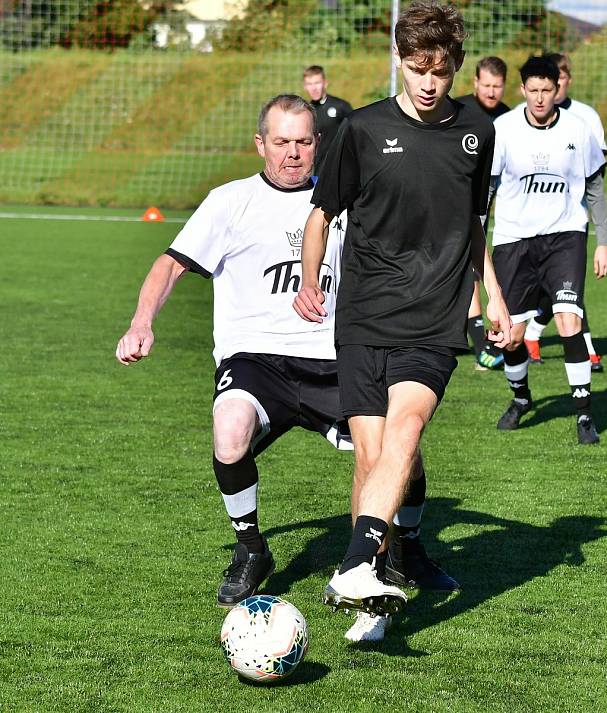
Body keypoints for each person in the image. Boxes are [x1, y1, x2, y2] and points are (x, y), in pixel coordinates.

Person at [114, 96, 447, 644]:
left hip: (337, 358)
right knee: (229, 432)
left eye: (304, 141)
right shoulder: (230, 202)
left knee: (400, 449)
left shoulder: (343, 199)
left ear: (320, 143)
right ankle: (251, 551)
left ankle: (407, 549)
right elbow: (170, 263)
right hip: (257, 361)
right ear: (260, 143)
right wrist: (142, 322)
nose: (293, 153)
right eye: (281, 142)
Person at [294, 1, 511, 622]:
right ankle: (377, 584)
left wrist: (491, 295)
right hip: (364, 313)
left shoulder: (477, 134)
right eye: (417, 69)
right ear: (400, 61)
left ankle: (358, 563)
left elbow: (475, 225)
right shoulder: (360, 130)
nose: (427, 83)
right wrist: (311, 280)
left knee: (406, 429)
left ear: (456, 71)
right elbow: (321, 213)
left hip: (434, 314)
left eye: (439, 72)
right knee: (371, 455)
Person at [490, 55, 607, 444]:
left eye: (548, 90)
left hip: (565, 236)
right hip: (514, 240)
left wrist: (603, 242)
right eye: (534, 91)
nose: (541, 98)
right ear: (522, 90)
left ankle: (584, 414)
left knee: (568, 321)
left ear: (557, 89)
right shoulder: (503, 129)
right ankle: (521, 399)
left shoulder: (578, 129)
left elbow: (595, 187)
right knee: (510, 335)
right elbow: (486, 191)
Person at [523, 52, 607, 373]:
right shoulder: (523, 119)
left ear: (565, 81)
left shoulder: (585, 118)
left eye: (556, 80)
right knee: (551, 286)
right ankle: (531, 334)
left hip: (572, 221)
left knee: (569, 286)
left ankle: (584, 348)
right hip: (532, 225)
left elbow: (597, 172)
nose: (548, 90)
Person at [455, 56, 510, 371]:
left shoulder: (511, 117)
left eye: (497, 86)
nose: (491, 92)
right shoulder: (459, 110)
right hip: (465, 195)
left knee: (494, 260)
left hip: (502, 195)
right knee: (471, 263)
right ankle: (481, 345)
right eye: (486, 85)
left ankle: (495, 336)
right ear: (475, 82)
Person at [302, 65, 353, 170]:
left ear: (325, 83)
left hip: (341, 166)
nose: (314, 88)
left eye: (317, 83)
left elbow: (355, 134)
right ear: (305, 86)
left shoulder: (341, 106)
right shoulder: (305, 112)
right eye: (309, 84)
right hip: (317, 168)